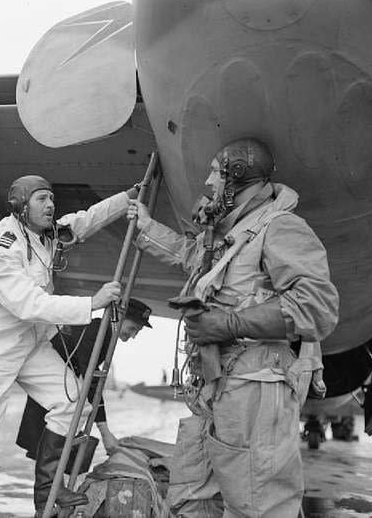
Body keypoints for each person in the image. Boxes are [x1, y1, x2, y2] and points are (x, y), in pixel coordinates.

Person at [127, 138, 339, 517]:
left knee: (258, 504)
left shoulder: (282, 227)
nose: (208, 182)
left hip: (256, 390)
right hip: (219, 386)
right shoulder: (235, 233)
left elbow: (317, 306)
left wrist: (225, 324)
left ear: (235, 176)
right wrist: (146, 227)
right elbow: (193, 257)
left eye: (214, 172)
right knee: (194, 496)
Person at [0, 175, 139, 517]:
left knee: (72, 400)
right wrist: (91, 303)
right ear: (21, 206)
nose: (50, 205)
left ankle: (48, 493)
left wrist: (127, 197)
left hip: (26, 342)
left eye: (51, 198)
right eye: (41, 199)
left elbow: (83, 221)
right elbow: (29, 304)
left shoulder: (45, 235)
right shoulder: (2, 247)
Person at [16, 298, 153, 459]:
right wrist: (105, 431)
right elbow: (91, 378)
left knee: (49, 447)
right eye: (132, 328)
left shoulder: (104, 333)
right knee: (44, 446)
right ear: (118, 317)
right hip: (49, 382)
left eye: (137, 331)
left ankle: (51, 481)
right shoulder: (95, 331)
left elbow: (91, 377)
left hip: (61, 384)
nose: (133, 335)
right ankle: (49, 482)